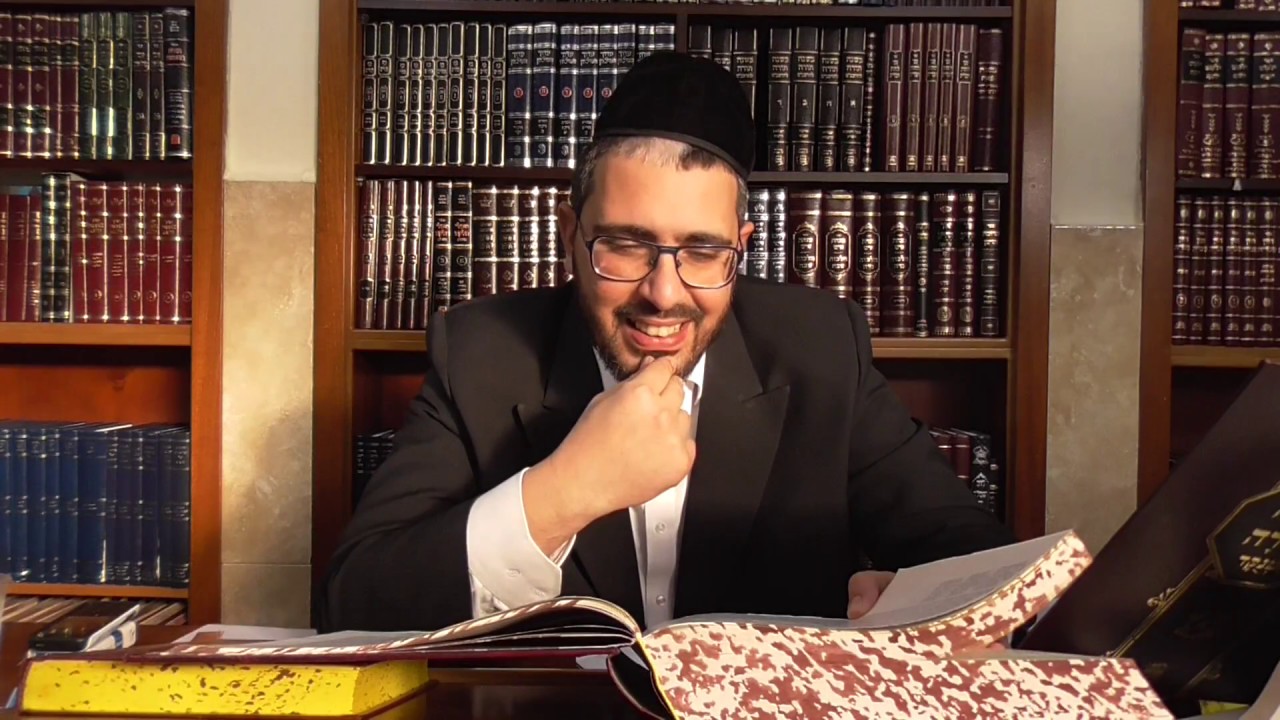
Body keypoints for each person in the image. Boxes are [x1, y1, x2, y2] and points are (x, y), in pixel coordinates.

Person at [320, 52, 1013, 633]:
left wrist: (921, 603)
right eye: (626, 246)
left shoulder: (822, 349)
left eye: (704, 252)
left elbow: (979, 561)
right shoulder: (478, 354)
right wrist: (562, 492)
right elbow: (351, 603)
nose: (663, 293)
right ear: (571, 235)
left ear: (741, 246)